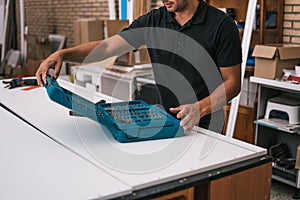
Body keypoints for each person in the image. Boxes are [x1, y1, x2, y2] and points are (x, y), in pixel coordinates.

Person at [36, 0, 242, 133]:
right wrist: (63, 53)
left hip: (206, 125)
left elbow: (232, 83)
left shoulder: (221, 25)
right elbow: (107, 47)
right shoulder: (154, 20)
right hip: (167, 121)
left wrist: (200, 108)